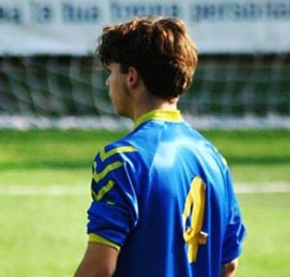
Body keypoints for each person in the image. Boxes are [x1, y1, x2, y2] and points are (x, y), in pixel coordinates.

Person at [74, 17, 247, 277]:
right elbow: (229, 264)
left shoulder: (123, 160)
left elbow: (99, 269)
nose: (108, 82)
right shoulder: (214, 159)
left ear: (131, 77)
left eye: (111, 72)